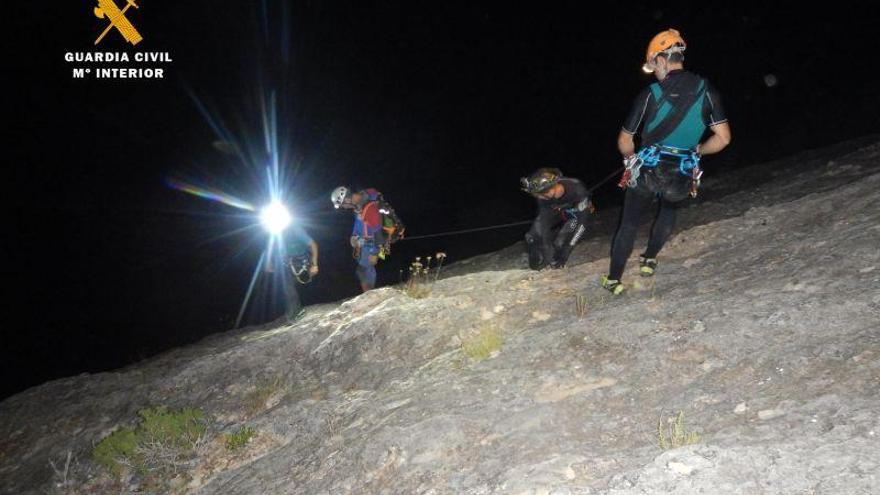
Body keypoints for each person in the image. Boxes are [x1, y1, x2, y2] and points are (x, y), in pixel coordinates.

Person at [602, 28, 732, 295]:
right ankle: (649, 259)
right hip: (681, 173)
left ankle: (614, 280)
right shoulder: (707, 91)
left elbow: (625, 140)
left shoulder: (649, 94)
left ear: (661, 59)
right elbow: (723, 139)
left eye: (654, 66)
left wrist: (630, 160)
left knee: (628, 223)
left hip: (648, 169)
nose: (655, 73)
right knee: (669, 211)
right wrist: (698, 149)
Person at [331, 186, 404, 292]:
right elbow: (359, 222)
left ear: (347, 200)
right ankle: (370, 293)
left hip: (375, 243)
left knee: (363, 270)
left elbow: (378, 232)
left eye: (343, 205)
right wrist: (354, 235)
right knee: (363, 268)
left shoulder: (369, 208)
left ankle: (370, 295)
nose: (344, 208)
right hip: (367, 241)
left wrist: (374, 253)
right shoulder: (359, 205)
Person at [520, 168, 594, 270]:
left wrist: (565, 252)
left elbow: (581, 224)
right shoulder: (543, 197)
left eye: (540, 195)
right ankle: (535, 267)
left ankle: (557, 262)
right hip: (556, 211)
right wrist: (547, 247)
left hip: (575, 214)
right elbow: (544, 221)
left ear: (551, 188)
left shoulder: (576, 188)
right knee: (531, 237)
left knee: (560, 243)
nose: (538, 197)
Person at [270, 223, 319, 323]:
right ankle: (293, 313)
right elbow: (272, 247)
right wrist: (269, 262)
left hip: (302, 263)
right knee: (287, 287)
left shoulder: (295, 229)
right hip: (287, 264)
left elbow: (313, 245)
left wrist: (315, 265)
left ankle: (295, 312)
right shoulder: (276, 232)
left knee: (294, 286)